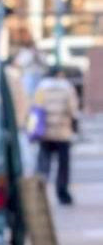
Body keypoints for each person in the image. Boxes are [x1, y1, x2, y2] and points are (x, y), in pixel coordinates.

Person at [32, 64, 80, 205]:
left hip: (45, 132)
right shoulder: (67, 88)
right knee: (63, 165)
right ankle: (62, 193)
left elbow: (35, 107)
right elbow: (73, 110)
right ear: (60, 74)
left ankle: (38, 194)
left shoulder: (41, 88)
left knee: (43, 165)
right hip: (62, 132)